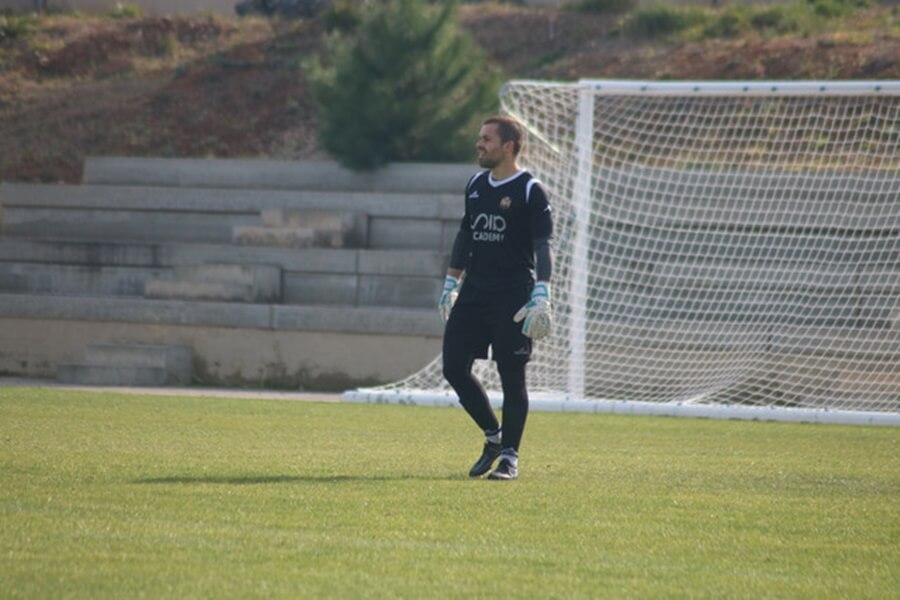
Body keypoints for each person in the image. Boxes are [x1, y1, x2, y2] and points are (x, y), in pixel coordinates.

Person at [439, 115, 554, 481]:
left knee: (511, 377)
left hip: (513, 295)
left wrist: (543, 290)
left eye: (487, 139)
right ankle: (493, 437)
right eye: (480, 138)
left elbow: (542, 245)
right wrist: (450, 283)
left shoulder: (529, 189)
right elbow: (465, 235)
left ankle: (509, 457)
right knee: (453, 368)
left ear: (508, 146)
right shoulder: (475, 184)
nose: (480, 144)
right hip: (474, 292)